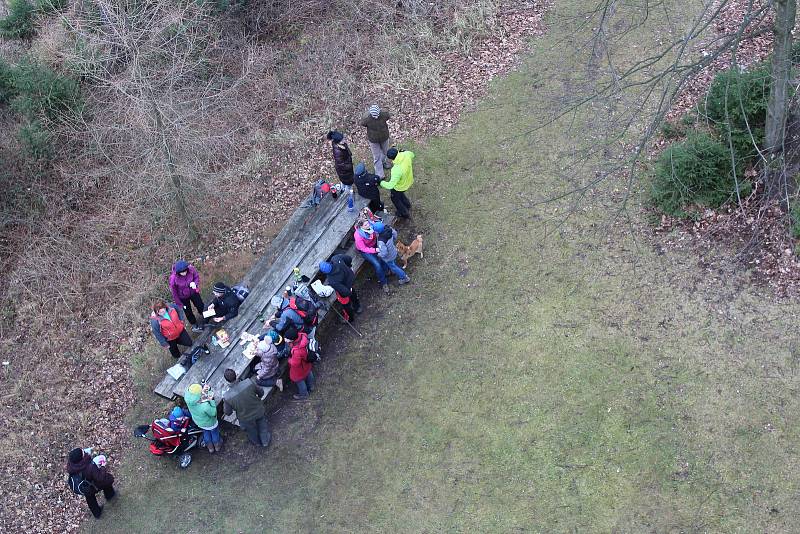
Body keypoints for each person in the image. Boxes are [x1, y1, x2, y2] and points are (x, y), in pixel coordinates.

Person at [222, 369, 271, 448]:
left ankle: (257, 443)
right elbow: (261, 392)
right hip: (258, 410)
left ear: (227, 381)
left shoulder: (227, 396)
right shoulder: (249, 382)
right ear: (236, 374)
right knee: (262, 425)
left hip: (245, 418)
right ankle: (265, 441)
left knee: (251, 431)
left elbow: (228, 412)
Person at [66, 447, 116, 519]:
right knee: (107, 481)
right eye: (83, 452)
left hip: (84, 488)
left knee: (90, 498)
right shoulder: (90, 466)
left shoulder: (72, 466)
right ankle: (110, 495)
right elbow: (100, 478)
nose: (84, 451)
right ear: (81, 457)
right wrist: (103, 467)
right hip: (94, 484)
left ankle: (97, 513)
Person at [319, 254, 361, 322]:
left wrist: (348, 293)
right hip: (350, 277)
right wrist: (348, 267)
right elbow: (349, 258)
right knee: (352, 291)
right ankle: (357, 307)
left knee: (345, 303)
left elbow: (345, 292)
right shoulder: (336, 258)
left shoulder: (332, 280)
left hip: (345, 288)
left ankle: (350, 318)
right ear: (328, 263)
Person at [184, 383, 222, 453]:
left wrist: (204, 392)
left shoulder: (188, 399)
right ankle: (217, 447)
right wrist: (211, 398)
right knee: (214, 433)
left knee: (206, 432)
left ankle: (210, 448)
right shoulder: (204, 406)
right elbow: (213, 413)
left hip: (199, 422)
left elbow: (198, 398)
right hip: (210, 423)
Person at [169, 260, 205, 333]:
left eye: (185, 271)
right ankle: (194, 324)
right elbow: (174, 292)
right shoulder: (173, 278)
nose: (184, 273)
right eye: (182, 272)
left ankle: (205, 315)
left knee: (200, 304)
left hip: (193, 291)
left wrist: (195, 283)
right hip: (183, 297)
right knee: (188, 311)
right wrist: (179, 303)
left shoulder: (191, 269)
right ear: (178, 272)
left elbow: (196, 276)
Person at [354, 219, 389, 293]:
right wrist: (375, 250)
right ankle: (383, 282)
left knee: (383, 256)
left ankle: (386, 271)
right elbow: (363, 248)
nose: (368, 225)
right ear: (361, 227)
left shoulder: (371, 225)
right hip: (365, 250)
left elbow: (377, 227)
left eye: (368, 223)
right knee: (377, 264)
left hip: (374, 244)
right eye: (366, 225)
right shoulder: (358, 235)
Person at [359, 104, 392, 179]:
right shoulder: (366, 118)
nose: (376, 117)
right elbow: (362, 124)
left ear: (379, 112)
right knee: (376, 157)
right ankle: (380, 174)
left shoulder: (384, 114)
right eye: (374, 116)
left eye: (377, 115)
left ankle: (384, 162)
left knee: (385, 152)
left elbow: (388, 116)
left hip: (384, 137)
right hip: (373, 140)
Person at [380, 147, 415, 219]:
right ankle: (407, 205)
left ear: (391, 159)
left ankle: (404, 213)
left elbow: (390, 185)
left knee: (395, 199)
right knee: (401, 195)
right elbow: (412, 154)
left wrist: (381, 182)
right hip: (408, 181)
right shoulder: (406, 154)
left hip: (399, 187)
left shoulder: (396, 169)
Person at [285, 327, 315, 400]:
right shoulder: (302, 335)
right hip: (306, 362)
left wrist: (289, 359)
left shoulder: (297, 351)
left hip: (300, 367)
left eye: (286, 338)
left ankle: (304, 394)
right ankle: (311, 386)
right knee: (308, 372)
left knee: (298, 379)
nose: (285, 339)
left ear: (292, 340)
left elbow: (295, 364)